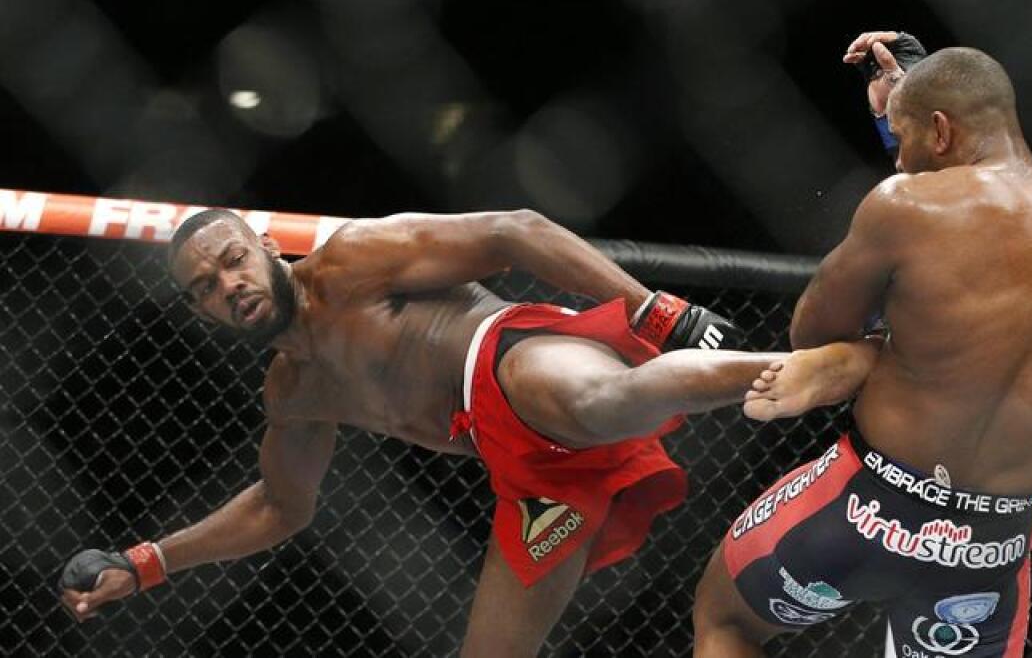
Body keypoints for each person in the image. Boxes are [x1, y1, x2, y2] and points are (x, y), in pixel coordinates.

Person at [57, 207, 879, 656]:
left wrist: (653, 308)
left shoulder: (354, 261)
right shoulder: (295, 391)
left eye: (233, 259)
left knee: (599, 402)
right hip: (529, 473)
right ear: (200, 311)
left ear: (266, 245)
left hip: (517, 357)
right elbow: (280, 505)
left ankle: (803, 365)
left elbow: (512, 231)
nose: (229, 284)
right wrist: (147, 562)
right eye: (206, 286)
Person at [692, 37, 1032, 657]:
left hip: (872, 505)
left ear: (941, 130)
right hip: (992, 542)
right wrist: (902, 122)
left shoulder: (904, 205)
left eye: (903, 140)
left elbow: (812, 333)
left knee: (725, 619)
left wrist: (867, 352)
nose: (898, 161)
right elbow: (994, 254)